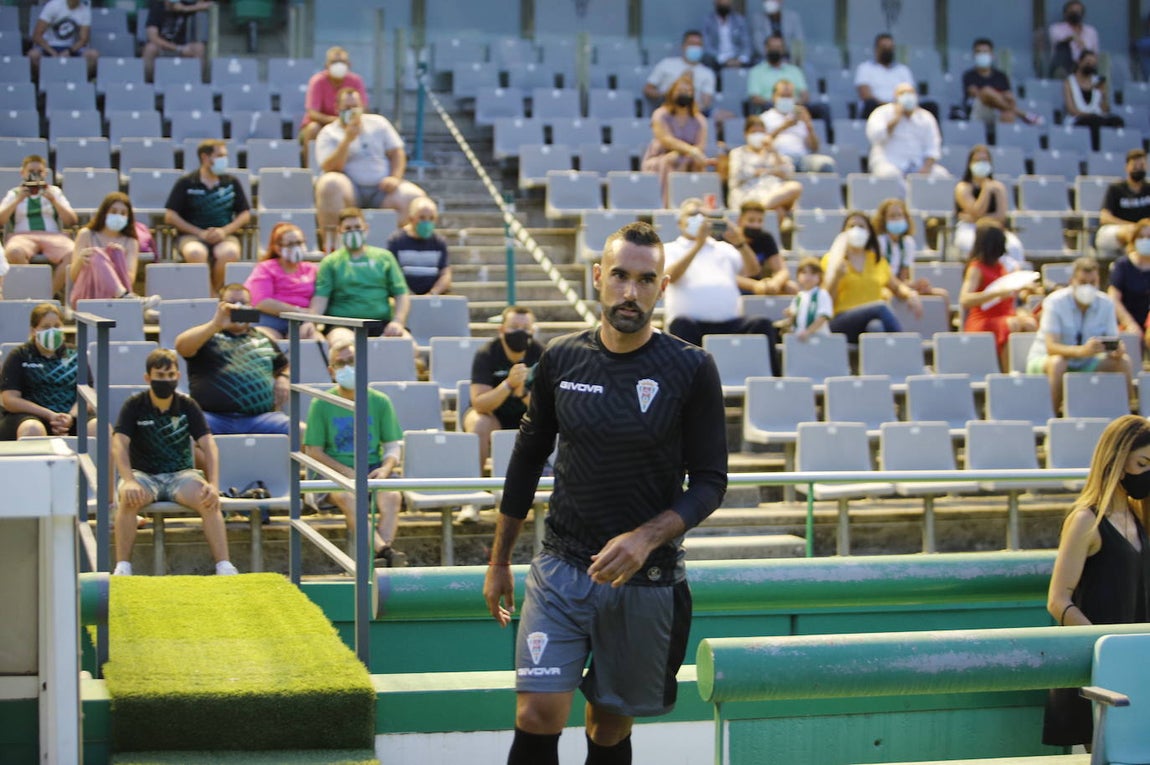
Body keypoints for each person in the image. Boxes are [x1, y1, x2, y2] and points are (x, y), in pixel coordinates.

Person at [482, 221, 728, 765]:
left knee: (608, 728)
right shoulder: (562, 358)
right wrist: (499, 561)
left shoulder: (691, 367)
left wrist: (645, 538)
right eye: (619, 276)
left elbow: (711, 482)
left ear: (663, 287)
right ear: (598, 277)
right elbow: (527, 458)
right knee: (536, 714)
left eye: (645, 280)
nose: (630, 292)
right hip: (562, 567)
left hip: (646, 580)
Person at [1043, 414, 1150, 748]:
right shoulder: (1085, 519)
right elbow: (1058, 600)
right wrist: (1107, 649)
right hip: (1100, 667)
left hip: (1136, 663)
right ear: (1116, 460)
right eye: (1143, 463)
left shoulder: (1138, 517)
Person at [112, 347, 237, 576]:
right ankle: (123, 567)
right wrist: (128, 480)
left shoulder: (188, 405)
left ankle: (224, 566)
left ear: (178, 376)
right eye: (160, 376)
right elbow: (119, 443)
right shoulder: (134, 405)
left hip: (181, 475)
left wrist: (214, 484)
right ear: (147, 378)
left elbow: (209, 445)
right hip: (143, 475)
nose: (166, 380)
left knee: (208, 499)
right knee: (128, 499)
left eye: (170, 375)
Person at [303, 339, 405, 566]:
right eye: (341, 363)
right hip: (333, 473)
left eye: (352, 361)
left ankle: (381, 556)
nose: (348, 367)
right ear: (331, 371)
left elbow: (392, 446)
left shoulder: (380, 401)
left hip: (373, 469)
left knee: (392, 496)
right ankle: (385, 553)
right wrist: (345, 472)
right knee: (349, 498)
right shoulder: (321, 403)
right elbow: (313, 451)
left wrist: (385, 469)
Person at [663, 197, 780, 373]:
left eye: (702, 215)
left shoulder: (723, 248)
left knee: (761, 324)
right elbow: (671, 276)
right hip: (692, 325)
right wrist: (698, 245)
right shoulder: (670, 248)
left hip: (729, 323)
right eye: (692, 215)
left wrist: (740, 242)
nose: (698, 219)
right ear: (680, 223)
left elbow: (753, 270)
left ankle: (773, 381)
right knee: (681, 325)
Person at [315, 88, 427, 248]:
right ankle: (333, 248)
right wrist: (347, 140)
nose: (352, 111)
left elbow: (397, 152)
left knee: (415, 198)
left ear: (362, 106)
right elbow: (331, 167)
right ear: (337, 108)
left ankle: (401, 247)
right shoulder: (328, 133)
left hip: (382, 189)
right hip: (350, 189)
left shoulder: (379, 123)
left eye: (355, 107)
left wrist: (395, 177)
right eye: (347, 108)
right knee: (329, 184)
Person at [174, 283, 291, 436]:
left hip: (259, 419)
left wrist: (283, 377)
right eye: (232, 303)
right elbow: (182, 347)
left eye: (244, 303)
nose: (238, 307)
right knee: (184, 429)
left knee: (300, 431)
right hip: (212, 418)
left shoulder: (263, 339)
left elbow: (283, 366)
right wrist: (216, 324)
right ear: (220, 306)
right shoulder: (207, 336)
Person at [1026, 256, 1132, 413]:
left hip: (1086, 362)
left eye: (1092, 283)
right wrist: (1082, 351)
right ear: (1072, 281)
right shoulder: (1054, 302)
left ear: (1098, 282)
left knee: (1124, 362)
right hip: (1045, 360)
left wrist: (1117, 350)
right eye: (1083, 282)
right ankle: (1050, 418)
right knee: (1058, 363)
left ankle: (1128, 418)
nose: (1088, 287)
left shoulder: (1107, 303)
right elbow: (1051, 347)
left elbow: (1113, 339)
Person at [309, 207, 411, 346]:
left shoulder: (385, 257)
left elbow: (401, 294)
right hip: (342, 325)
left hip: (382, 324)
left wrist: (398, 321)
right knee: (345, 346)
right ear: (339, 231)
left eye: (357, 227)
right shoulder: (330, 262)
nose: (353, 231)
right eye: (348, 228)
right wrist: (311, 322)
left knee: (409, 346)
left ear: (366, 228)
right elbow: (321, 298)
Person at [164, 139, 251, 294]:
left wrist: (224, 231)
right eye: (220, 156)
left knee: (229, 253)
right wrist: (199, 233)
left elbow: (245, 214)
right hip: (192, 235)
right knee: (195, 253)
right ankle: (209, 296)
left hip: (224, 235)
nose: (224, 160)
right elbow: (170, 216)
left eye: (225, 156)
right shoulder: (187, 182)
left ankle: (214, 293)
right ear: (205, 157)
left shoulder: (231, 182)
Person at [463, 306, 542, 474]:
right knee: (478, 422)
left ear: (533, 332)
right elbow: (479, 404)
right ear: (502, 330)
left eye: (525, 328)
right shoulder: (486, 354)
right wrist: (508, 384)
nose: (520, 332)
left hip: (527, 417)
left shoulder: (541, 355)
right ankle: (475, 482)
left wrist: (522, 393)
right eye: (514, 327)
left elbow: (546, 407)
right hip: (493, 416)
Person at [821, 210, 921, 343]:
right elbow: (825, 300)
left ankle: (883, 356)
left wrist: (910, 294)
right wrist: (836, 276)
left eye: (861, 226)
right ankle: (904, 345)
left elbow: (896, 287)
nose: (856, 230)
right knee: (881, 307)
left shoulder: (877, 261)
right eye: (851, 226)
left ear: (869, 233)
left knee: (876, 327)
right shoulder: (832, 261)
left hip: (868, 323)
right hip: (841, 321)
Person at [960, 220, 1038, 368]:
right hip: (984, 320)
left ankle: (1024, 371)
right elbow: (965, 299)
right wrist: (996, 294)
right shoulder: (976, 268)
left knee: (1030, 323)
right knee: (1011, 325)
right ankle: (1007, 372)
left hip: (1005, 315)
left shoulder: (1001, 266)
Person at [0, 155, 77, 299]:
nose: (35, 175)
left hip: (53, 236)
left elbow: (71, 220)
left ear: (45, 173)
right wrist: (18, 200)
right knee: (13, 252)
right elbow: (1, 220)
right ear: (22, 173)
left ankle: (47, 296)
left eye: (39, 171)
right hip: (22, 236)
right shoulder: (14, 193)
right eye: (31, 171)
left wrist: (54, 201)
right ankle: (31, 292)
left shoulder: (54, 192)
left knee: (73, 254)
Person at [0, 303, 79, 441]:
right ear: (33, 330)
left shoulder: (75, 354)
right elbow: (9, 399)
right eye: (46, 327)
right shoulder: (20, 355)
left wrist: (71, 417)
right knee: (32, 429)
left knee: (97, 426)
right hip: (29, 416)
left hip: (69, 417)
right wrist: (48, 415)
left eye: (57, 326)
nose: (52, 331)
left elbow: (87, 394)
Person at [640, 74, 715, 207]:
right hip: (661, 156)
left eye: (688, 91)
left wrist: (690, 154)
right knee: (670, 161)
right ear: (672, 93)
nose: (684, 93)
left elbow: (700, 146)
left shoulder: (699, 120)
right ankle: (666, 205)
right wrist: (689, 150)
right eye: (680, 90)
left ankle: (696, 206)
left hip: (690, 158)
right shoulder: (660, 114)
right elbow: (665, 139)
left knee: (697, 163)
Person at [69, 192, 151, 308]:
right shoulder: (86, 234)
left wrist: (119, 258)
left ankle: (122, 295)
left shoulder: (131, 241)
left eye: (123, 213)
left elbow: (130, 280)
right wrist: (81, 261)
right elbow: (73, 276)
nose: (118, 216)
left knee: (116, 253)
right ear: (104, 213)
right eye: (113, 211)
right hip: (88, 295)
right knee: (96, 253)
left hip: (117, 301)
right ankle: (123, 295)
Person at [244, 221, 319, 340]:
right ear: (278, 248)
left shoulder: (311, 269)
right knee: (266, 342)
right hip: (270, 320)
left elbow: (320, 297)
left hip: (302, 323)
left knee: (318, 342)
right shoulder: (265, 268)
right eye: (290, 244)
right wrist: (298, 312)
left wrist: (310, 319)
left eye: (299, 243)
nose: (296, 248)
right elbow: (262, 302)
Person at [726, 116, 801, 230]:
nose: (758, 135)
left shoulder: (772, 152)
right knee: (778, 211)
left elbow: (788, 173)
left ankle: (756, 212)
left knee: (795, 187)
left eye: (761, 132)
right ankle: (754, 213)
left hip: (772, 194)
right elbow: (738, 175)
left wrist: (773, 151)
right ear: (746, 134)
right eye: (754, 132)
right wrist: (769, 172)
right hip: (748, 195)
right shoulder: (738, 153)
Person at [953, 145, 1024, 263]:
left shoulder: (998, 187)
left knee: (1014, 247)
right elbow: (977, 211)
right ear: (970, 164)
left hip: (995, 228)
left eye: (984, 161)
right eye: (977, 161)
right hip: (969, 228)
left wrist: (975, 218)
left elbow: (1000, 216)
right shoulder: (963, 187)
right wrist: (985, 189)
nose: (981, 164)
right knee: (972, 246)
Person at [865, 82, 949, 181]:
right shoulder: (881, 112)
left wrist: (926, 168)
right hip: (888, 163)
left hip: (918, 165)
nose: (908, 97)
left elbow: (933, 147)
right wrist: (896, 119)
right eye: (903, 93)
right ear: (895, 97)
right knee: (891, 175)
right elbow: (875, 137)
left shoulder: (926, 117)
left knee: (942, 176)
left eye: (911, 93)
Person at [872, 197, 947, 301]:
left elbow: (903, 277)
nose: (897, 219)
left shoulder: (908, 243)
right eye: (892, 216)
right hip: (882, 286)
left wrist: (916, 284)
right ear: (883, 220)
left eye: (900, 215)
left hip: (899, 286)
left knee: (943, 294)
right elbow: (880, 275)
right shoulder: (879, 242)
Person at [299, 46, 369, 154]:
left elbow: (363, 108)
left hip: (349, 123)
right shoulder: (317, 81)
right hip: (322, 125)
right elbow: (312, 113)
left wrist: (348, 121)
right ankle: (309, 163)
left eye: (342, 62)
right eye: (334, 62)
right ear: (326, 65)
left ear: (349, 64)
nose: (339, 65)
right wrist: (337, 121)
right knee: (313, 128)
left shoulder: (356, 81)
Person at [760, 79, 835, 173]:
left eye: (789, 96)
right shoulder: (764, 118)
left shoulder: (800, 116)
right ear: (774, 97)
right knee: (784, 167)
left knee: (826, 164)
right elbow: (760, 145)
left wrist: (809, 125)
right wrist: (784, 126)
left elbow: (815, 148)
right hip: (779, 158)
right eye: (782, 96)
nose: (786, 99)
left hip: (802, 158)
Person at [962, 38, 1039, 125]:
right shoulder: (969, 76)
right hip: (978, 111)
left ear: (992, 55)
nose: (982, 55)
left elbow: (1008, 97)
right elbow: (977, 94)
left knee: (1008, 114)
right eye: (979, 52)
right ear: (974, 55)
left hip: (997, 110)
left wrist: (999, 98)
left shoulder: (1001, 76)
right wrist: (995, 96)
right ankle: (1022, 114)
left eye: (985, 52)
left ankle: (1013, 119)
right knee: (986, 91)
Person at [385, 197, 453, 296]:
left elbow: (445, 273)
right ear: (411, 219)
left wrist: (432, 294)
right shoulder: (396, 241)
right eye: (422, 218)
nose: (427, 222)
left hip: (432, 297)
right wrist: (408, 295)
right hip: (403, 297)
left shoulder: (439, 242)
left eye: (431, 218)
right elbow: (393, 274)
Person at [643, 30, 717, 114]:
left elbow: (706, 103)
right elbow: (648, 89)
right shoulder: (666, 64)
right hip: (667, 111)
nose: (695, 47)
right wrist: (666, 95)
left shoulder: (707, 73)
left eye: (698, 45)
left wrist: (689, 109)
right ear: (683, 46)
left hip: (693, 113)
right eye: (691, 44)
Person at [1062, 49, 1123, 151]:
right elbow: (1071, 109)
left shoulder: (1098, 82)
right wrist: (1090, 115)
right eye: (1087, 62)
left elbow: (1105, 110)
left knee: (1117, 121)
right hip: (1078, 119)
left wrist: (1103, 96)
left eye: (1093, 64)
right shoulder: (1069, 82)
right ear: (1079, 62)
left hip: (1097, 117)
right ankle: (1096, 152)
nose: (1090, 66)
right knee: (1094, 121)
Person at [1096, 149, 1150, 259]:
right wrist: (1132, 226)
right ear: (1127, 167)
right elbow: (1104, 217)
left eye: (1141, 165)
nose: (1138, 169)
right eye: (1135, 166)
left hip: (1145, 233)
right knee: (1131, 232)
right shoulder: (1116, 188)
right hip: (1116, 231)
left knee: (1143, 234)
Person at [733, 200, 794, 296]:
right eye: (751, 220)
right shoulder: (728, 238)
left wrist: (775, 283)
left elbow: (782, 270)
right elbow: (724, 274)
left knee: (791, 287)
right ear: (740, 221)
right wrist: (754, 285)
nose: (756, 225)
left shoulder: (765, 238)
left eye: (760, 221)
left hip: (759, 285)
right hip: (734, 284)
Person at [142, 0, 212, 82]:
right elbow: (153, 38)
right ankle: (149, 83)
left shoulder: (184, 5)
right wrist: (178, 48)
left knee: (199, 48)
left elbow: (208, 5)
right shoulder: (157, 8)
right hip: (163, 48)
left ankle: (196, 83)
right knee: (150, 48)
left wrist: (184, 9)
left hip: (182, 47)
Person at [27, 0, 98, 79]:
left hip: (70, 47)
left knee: (93, 55)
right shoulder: (53, 5)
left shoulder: (85, 10)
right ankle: (41, 82)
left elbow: (83, 39)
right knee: (33, 55)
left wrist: (69, 51)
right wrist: (53, 53)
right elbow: (36, 35)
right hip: (48, 46)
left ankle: (78, 81)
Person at [854, 33, 916, 118]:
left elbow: (910, 93)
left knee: (929, 106)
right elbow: (865, 95)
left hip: (900, 110)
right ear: (876, 49)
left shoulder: (903, 70)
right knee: (869, 103)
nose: (887, 50)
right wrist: (887, 107)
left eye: (890, 48)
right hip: (875, 110)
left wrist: (897, 107)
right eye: (884, 47)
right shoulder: (865, 68)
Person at [1107, 219, 1150, 335]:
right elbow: (1113, 298)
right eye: (1141, 237)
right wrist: (1130, 324)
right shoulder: (1123, 265)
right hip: (1125, 327)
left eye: (1149, 237)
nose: (1145, 241)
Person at [746, 35, 808, 108]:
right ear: (766, 48)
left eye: (778, 47)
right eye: (772, 47)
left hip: (794, 109)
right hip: (768, 110)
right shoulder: (756, 72)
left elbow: (805, 95)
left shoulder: (794, 71)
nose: (775, 50)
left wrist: (796, 103)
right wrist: (776, 104)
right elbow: (754, 98)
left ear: (783, 49)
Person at [784, 256, 832, 341]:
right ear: (798, 276)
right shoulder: (798, 297)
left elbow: (823, 316)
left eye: (813, 273)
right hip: (801, 338)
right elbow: (794, 318)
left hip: (819, 339)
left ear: (820, 277)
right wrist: (789, 315)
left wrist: (808, 332)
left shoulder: (822, 294)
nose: (808, 277)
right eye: (804, 273)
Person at [1048, 0, 1099, 79]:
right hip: (1065, 66)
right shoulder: (1056, 28)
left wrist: (1084, 48)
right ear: (1065, 13)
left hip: (1085, 66)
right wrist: (1072, 38)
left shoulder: (1091, 31)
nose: (1075, 14)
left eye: (1078, 11)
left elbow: (1095, 53)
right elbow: (1058, 43)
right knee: (1063, 48)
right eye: (1072, 11)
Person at [700, 0, 753, 74]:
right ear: (716, 3)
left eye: (726, 2)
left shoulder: (739, 20)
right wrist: (724, 59)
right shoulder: (708, 21)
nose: (724, 4)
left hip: (737, 59)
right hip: (717, 59)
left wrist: (741, 59)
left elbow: (747, 43)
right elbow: (706, 46)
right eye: (721, 2)